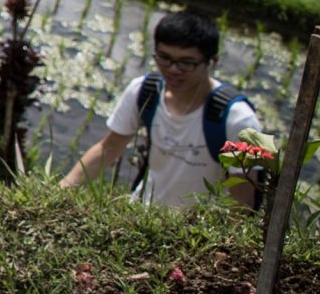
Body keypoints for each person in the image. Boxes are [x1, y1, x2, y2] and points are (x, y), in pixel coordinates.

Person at [61, 11, 263, 209]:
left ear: (212, 61)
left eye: (186, 63)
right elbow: (109, 148)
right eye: (164, 58)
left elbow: (244, 199)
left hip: (200, 232)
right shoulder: (143, 90)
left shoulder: (242, 120)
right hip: (142, 213)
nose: (173, 69)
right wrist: (63, 191)